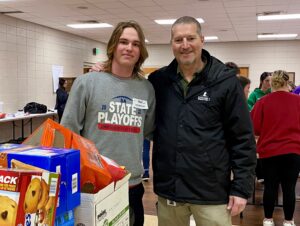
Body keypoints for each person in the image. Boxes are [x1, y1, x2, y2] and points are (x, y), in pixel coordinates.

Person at [148, 16, 256, 226]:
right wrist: (105, 69)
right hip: (170, 189)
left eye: (191, 38)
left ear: (202, 40)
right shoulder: (158, 81)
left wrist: (241, 188)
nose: (185, 45)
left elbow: (242, 138)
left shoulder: (225, 81)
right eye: (178, 40)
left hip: (211, 193)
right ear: (171, 44)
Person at [61, 21, 156, 226]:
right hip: (92, 185)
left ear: (141, 51)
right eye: (123, 42)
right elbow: (67, 134)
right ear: (113, 46)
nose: (129, 48)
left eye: (135, 44)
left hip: (130, 184)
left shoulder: (147, 89)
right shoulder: (87, 83)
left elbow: (148, 131)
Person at [250, 70, 300, 226]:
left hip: (269, 151)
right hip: (293, 150)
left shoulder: (262, 102)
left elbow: (255, 128)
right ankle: (288, 221)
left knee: (270, 186)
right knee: (289, 187)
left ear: (271, 83)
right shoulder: (298, 101)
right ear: (287, 83)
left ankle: (268, 219)